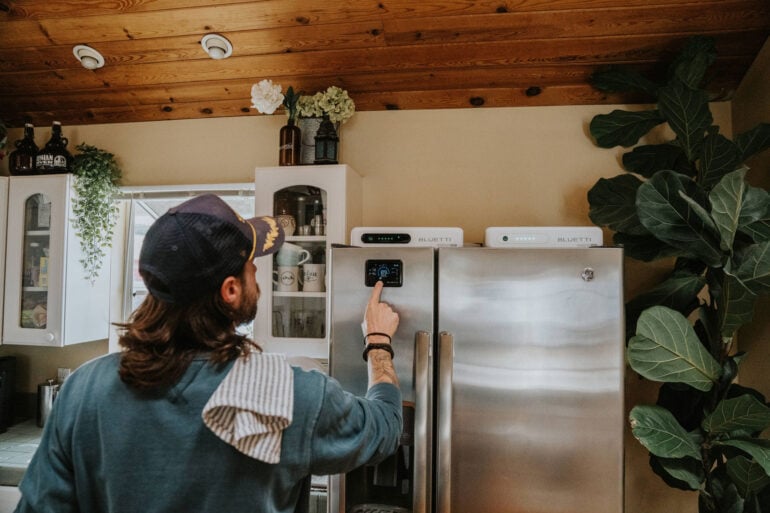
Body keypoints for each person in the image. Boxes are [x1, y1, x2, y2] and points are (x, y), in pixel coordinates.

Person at [14, 193, 402, 513]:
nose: (257, 275)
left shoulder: (84, 390)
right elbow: (385, 429)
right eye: (252, 265)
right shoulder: (289, 397)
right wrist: (378, 342)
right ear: (230, 290)